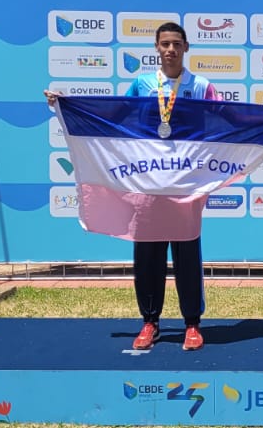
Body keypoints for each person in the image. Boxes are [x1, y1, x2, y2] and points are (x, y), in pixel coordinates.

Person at [46, 21, 217, 351]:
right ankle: (150, 322)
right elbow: (114, 121)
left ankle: (192, 325)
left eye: (176, 44)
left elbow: (228, 119)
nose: (170, 49)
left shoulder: (201, 86)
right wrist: (66, 104)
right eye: (164, 43)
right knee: (148, 255)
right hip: (147, 184)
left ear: (186, 48)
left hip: (185, 186)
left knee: (187, 255)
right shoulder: (141, 84)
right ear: (156, 48)